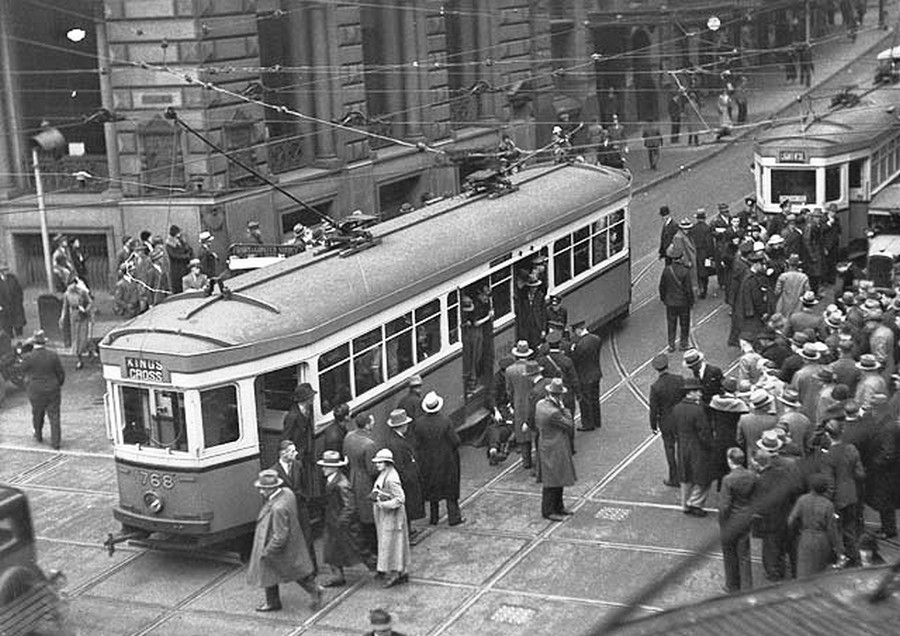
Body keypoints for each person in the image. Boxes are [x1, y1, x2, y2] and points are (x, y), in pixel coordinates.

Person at [247, 469, 322, 612]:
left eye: (263, 489)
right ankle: (275, 600)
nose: (261, 492)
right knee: (290, 571)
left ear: (271, 489)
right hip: (292, 543)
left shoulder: (278, 508)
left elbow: (280, 535)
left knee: (283, 571)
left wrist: (267, 551)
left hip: (276, 545)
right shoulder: (287, 493)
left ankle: (275, 602)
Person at [317, 450, 375, 587]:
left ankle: (379, 568)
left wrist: (341, 522)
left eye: (326, 466)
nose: (323, 469)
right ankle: (338, 576)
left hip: (343, 525)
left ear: (334, 467)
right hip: (334, 522)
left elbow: (350, 506)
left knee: (359, 549)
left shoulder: (341, 484)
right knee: (331, 550)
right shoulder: (333, 480)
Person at [414, 391, 464, 527]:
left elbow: (417, 444)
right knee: (450, 490)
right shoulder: (445, 421)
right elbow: (455, 441)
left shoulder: (419, 424)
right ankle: (454, 517)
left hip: (428, 462)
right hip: (447, 461)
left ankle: (434, 518)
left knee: (433, 490)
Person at [823, 419, 865, 566]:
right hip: (852, 494)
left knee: (836, 531)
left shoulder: (829, 456)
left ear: (828, 435)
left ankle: (841, 558)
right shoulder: (852, 448)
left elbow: (830, 484)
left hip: (837, 499)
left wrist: (828, 501)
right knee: (850, 529)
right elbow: (860, 474)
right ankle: (855, 558)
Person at [269, 440, 316, 569]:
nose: (296, 453)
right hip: (286, 511)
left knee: (307, 537)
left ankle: (312, 568)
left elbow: (304, 484)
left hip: (301, 507)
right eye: (292, 451)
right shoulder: (274, 471)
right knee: (290, 539)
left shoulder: (298, 465)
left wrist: (305, 498)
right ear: (283, 453)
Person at [534, 378, 576, 521]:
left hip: (546, 444)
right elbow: (569, 424)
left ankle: (558, 506)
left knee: (556, 477)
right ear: (559, 395)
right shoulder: (554, 412)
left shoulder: (540, 404)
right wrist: (565, 409)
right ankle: (549, 510)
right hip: (555, 446)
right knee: (553, 480)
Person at [672, 377, 714, 517]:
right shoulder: (698, 411)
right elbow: (704, 432)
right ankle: (695, 503)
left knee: (686, 475)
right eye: (697, 391)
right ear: (691, 393)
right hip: (697, 446)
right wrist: (710, 446)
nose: (700, 394)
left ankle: (684, 504)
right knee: (704, 476)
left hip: (682, 445)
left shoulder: (677, 408)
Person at [788, 473, 844, 577]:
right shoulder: (828, 505)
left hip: (805, 536)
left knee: (803, 570)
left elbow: (791, 520)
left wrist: (796, 533)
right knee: (818, 572)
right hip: (822, 539)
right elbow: (832, 530)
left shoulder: (802, 500)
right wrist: (839, 550)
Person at [378, 409, 425, 528]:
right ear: (402, 425)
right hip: (405, 480)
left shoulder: (391, 439)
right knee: (406, 506)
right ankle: (407, 532)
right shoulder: (399, 444)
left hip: (401, 478)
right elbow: (401, 465)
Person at [371, 448, 411, 588]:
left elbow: (400, 499)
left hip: (392, 517)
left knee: (393, 545)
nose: (377, 464)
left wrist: (383, 504)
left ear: (387, 463)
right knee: (391, 544)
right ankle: (400, 571)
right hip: (387, 517)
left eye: (379, 462)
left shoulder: (392, 478)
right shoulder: (385, 473)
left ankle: (396, 573)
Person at [282, 383, 321, 523]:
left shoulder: (307, 411)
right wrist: (293, 455)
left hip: (306, 453)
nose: (313, 399)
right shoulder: (292, 416)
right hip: (297, 456)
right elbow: (285, 439)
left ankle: (308, 510)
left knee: (306, 482)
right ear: (305, 399)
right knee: (298, 484)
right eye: (311, 397)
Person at [20, 330, 65, 450]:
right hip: (53, 389)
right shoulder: (53, 355)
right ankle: (56, 442)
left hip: (36, 390)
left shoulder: (29, 357)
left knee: (37, 413)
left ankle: (38, 434)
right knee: (54, 416)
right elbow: (60, 373)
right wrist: (57, 384)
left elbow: (22, 369)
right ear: (44, 343)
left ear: (34, 343)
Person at [719, 447, 756, 592]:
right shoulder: (751, 476)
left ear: (730, 460)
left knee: (729, 554)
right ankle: (747, 587)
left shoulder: (728, 480)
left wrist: (722, 522)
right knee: (744, 555)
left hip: (731, 521)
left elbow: (724, 506)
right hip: (746, 518)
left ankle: (732, 584)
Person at [343, 413, 379, 553]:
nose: (373, 424)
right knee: (369, 515)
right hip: (365, 483)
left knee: (358, 512)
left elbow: (345, 455)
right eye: (372, 422)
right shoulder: (369, 444)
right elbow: (372, 470)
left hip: (353, 477)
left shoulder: (349, 437)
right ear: (367, 425)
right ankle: (373, 548)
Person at [648, 353, 684, 487]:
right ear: (668, 366)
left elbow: (654, 409)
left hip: (666, 421)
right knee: (682, 446)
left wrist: (653, 426)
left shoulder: (655, 387)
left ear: (657, 370)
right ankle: (685, 474)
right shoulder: (679, 379)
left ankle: (674, 478)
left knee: (669, 449)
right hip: (680, 417)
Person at [507, 340, 537, 469]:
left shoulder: (510, 370)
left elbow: (509, 390)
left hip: (518, 404)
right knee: (535, 430)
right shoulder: (534, 366)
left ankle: (526, 461)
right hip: (533, 403)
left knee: (522, 433)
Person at [659, 242, 694, 352]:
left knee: (671, 323)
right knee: (684, 324)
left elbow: (662, 287)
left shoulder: (667, 270)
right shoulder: (685, 271)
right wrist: (691, 301)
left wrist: (664, 299)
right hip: (683, 302)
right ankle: (683, 344)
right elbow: (688, 289)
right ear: (681, 257)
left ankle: (671, 344)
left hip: (670, 302)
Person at [569, 320, 602, 431]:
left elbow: (575, 360)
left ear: (578, 330)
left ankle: (588, 424)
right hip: (596, 373)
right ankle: (597, 420)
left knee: (585, 401)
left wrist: (573, 351)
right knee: (595, 398)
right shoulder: (596, 339)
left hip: (584, 376)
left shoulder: (580, 345)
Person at [59, 276, 93, 369]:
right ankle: (79, 359)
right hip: (74, 318)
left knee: (84, 338)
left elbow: (90, 302)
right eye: (70, 284)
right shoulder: (67, 294)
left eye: (73, 284)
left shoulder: (82, 292)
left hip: (83, 317)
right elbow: (64, 307)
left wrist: (86, 310)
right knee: (76, 339)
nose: (72, 286)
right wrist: (62, 318)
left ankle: (90, 349)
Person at [736, 389, 777, 458]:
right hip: (770, 458)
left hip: (752, 458)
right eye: (769, 403)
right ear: (765, 407)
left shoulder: (743, 419)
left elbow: (740, 440)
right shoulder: (774, 420)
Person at [689, 210, 715, 299]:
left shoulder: (693, 228)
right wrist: (711, 255)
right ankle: (704, 289)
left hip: (695, 253)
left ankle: (700, 288)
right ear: (705, 218)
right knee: (705, 272)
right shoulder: (707, 228)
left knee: (698, 272)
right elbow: (709, 243)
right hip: (704, 253)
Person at [0, 261, 26, 337]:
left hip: (15, 308)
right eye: (3, 270)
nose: (5, 272)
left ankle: (20, 345)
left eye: (6, 269)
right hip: (4, 310)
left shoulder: (12, 278)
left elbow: (19, 292)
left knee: (19, 329)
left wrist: (18, 303)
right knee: (7, 332)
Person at [165, 225, 193, 294]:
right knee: (178, 287)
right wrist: (185, 256)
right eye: (178, 232)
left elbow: (187, 248)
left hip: (184, 266)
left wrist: (188, 251)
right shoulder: (169, 244)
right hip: (176, 269)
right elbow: (173, 255)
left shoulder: (180, 240)